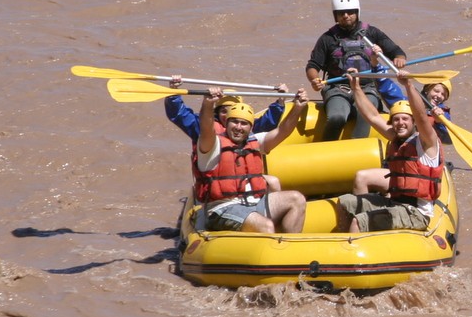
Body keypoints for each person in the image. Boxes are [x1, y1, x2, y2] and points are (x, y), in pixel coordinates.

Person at [335, 68, 442, 232]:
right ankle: (342, 239)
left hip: (416, 213)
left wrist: (408, 85)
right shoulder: (396, 138)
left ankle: (351, 251)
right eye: (396, 120)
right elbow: (373, 117)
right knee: (345, 202)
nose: (400, 123)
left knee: (359, 221)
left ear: (413, 123)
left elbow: (421, 116)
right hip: (395, 203)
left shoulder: (427, 141)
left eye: (405, 119)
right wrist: (355, 87)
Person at [195, 88, 310, 233]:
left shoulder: (255, 142)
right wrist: (207, 104)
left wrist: (298, 107)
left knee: (297, 199)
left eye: (243, 124)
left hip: (254, 204)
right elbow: (206, 127)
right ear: (226, 123)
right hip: (222, 209)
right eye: (234, 122)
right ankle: (273, 251)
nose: (238, 127)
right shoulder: (212, 145)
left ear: (251, 128)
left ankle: (290, 248)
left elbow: (283, 131)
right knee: (265, 226)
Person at [305, 0, 406, 141]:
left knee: (365, 113)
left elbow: (396, 52)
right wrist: (314, 79)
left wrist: (399, 59)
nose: (346, 15)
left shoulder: (372, 33)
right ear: (336, 15)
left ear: (357, 12)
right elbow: (313, 65)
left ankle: (356, 149)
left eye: (350, 12)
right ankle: (325, 151)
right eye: (341, 13)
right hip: (338, 88)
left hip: (367, 88)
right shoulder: (327, 39)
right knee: (337, 117)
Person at [166, 78, 288, 191]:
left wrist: (280, 100)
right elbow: (179, 114)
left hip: (241, 185)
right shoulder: (203, 128)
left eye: (232, 110)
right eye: (224, 111)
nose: (228, 115)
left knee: (273, 182)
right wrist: (174, 91)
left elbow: (268, 123)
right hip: (213, 188)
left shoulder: (243, 127)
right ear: (217, 113)